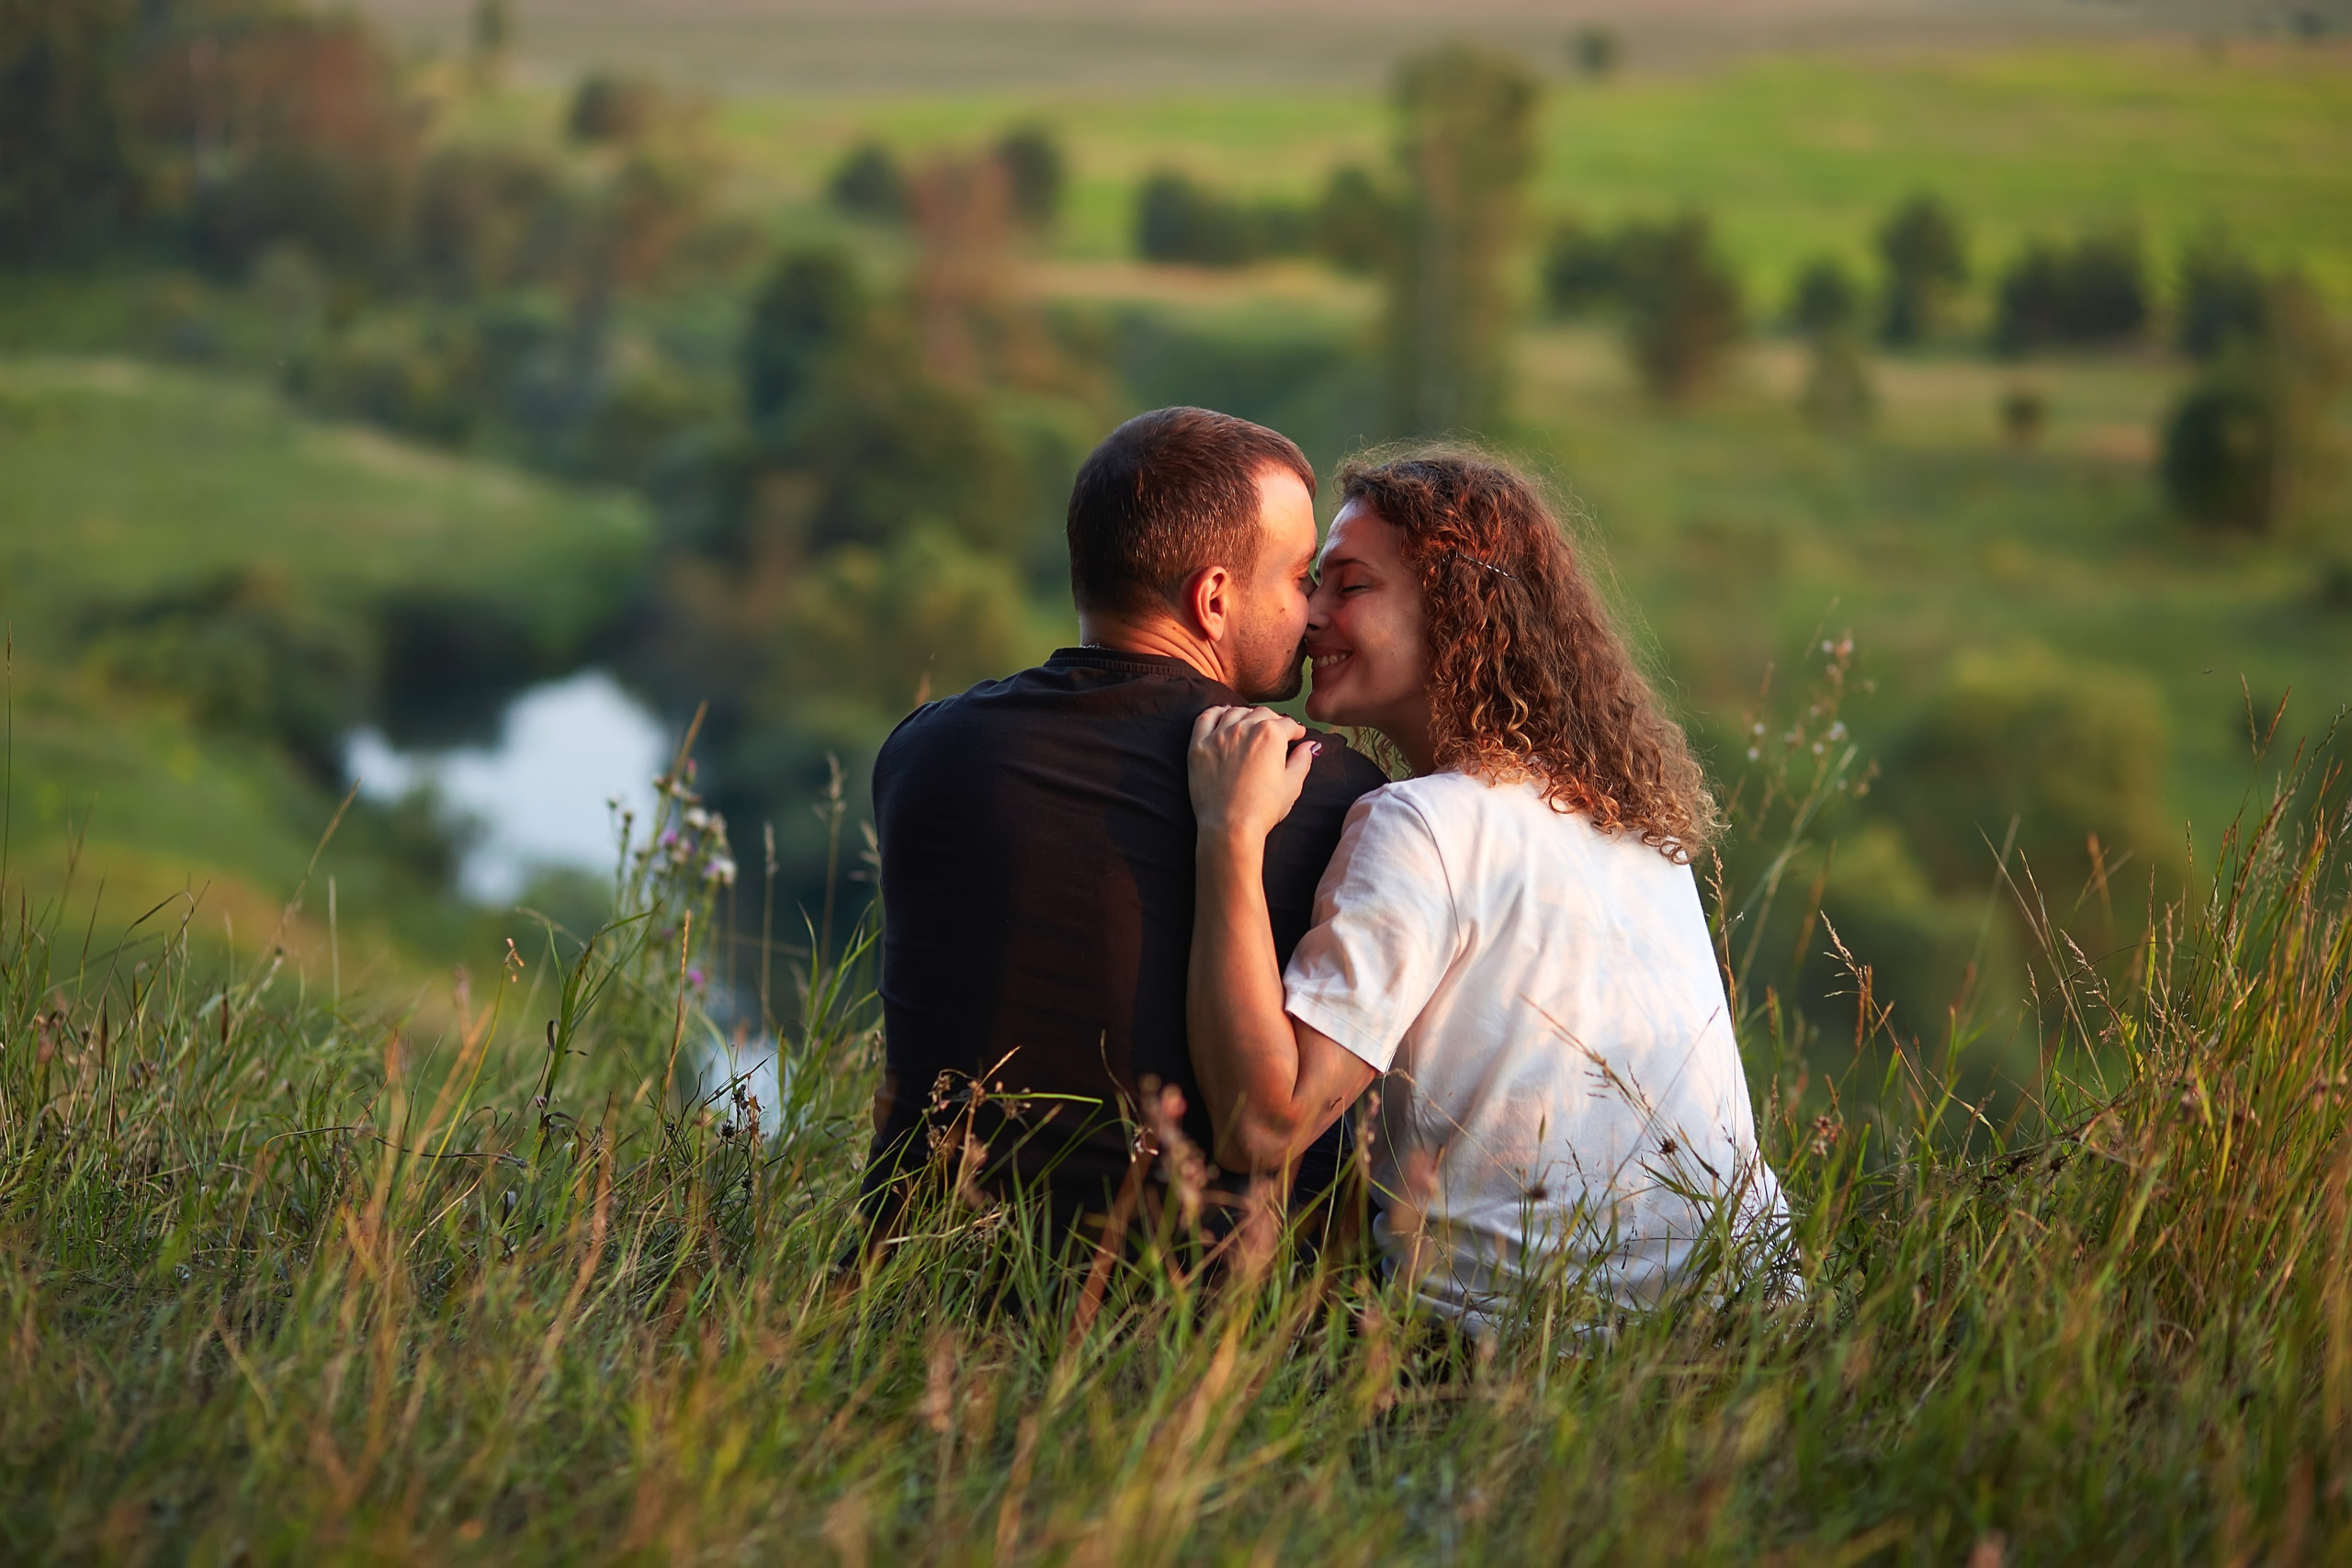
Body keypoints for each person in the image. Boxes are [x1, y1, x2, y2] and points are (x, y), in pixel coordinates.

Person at [1185, 451, 1788, 1334]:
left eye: (1351, 585)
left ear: (1457, 609)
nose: (1311, 614)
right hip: (1754, 1329)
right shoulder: (1632, 828)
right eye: (1315, 584)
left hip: (1521, 1357)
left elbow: (1265, 1128)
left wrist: (1228, 834)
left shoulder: (1422, 823)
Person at [863, 407, 1389, 1238]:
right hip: (1174, 1296)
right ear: (1213, 598)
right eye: (1298, 578)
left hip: (915, 1268)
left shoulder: (923, 752)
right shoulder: (1322, 792)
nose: (1314, 610)